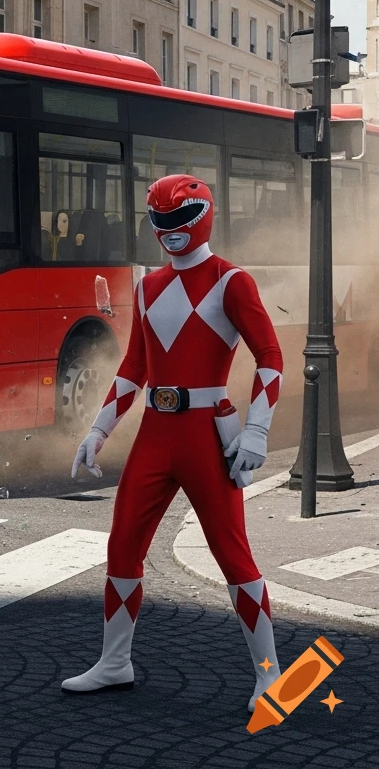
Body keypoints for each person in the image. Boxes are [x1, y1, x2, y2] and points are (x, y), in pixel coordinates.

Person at [64, 174, 284, 713]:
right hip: (157, 435)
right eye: (159, 222)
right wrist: (98, 430)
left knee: (233, 555)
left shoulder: (231, 281)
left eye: (178, 220)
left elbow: (271, 357)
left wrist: (257, 429)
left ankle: (271, 678)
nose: (169, 232)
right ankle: (115, 662)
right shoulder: (147, 286)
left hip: (208, 433)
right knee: (122, 545)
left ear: (202, 215)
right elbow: (134, 367)